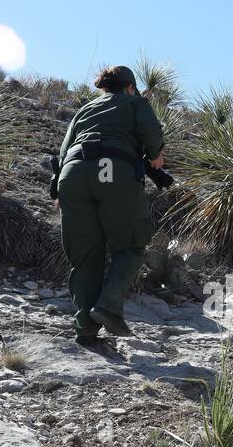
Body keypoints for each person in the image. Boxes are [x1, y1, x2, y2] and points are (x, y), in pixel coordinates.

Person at [56, 65, 165, 343]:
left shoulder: (85, 110)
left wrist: (59, 187)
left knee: (85, 255)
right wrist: (155, 157)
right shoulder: (135, 102)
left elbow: (63, 149)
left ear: (104, 88)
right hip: (113, 170)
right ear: (129, 87)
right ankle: (108, 307)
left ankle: (85, 328)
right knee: (130, 245)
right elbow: (151, 133)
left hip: (73, 173)